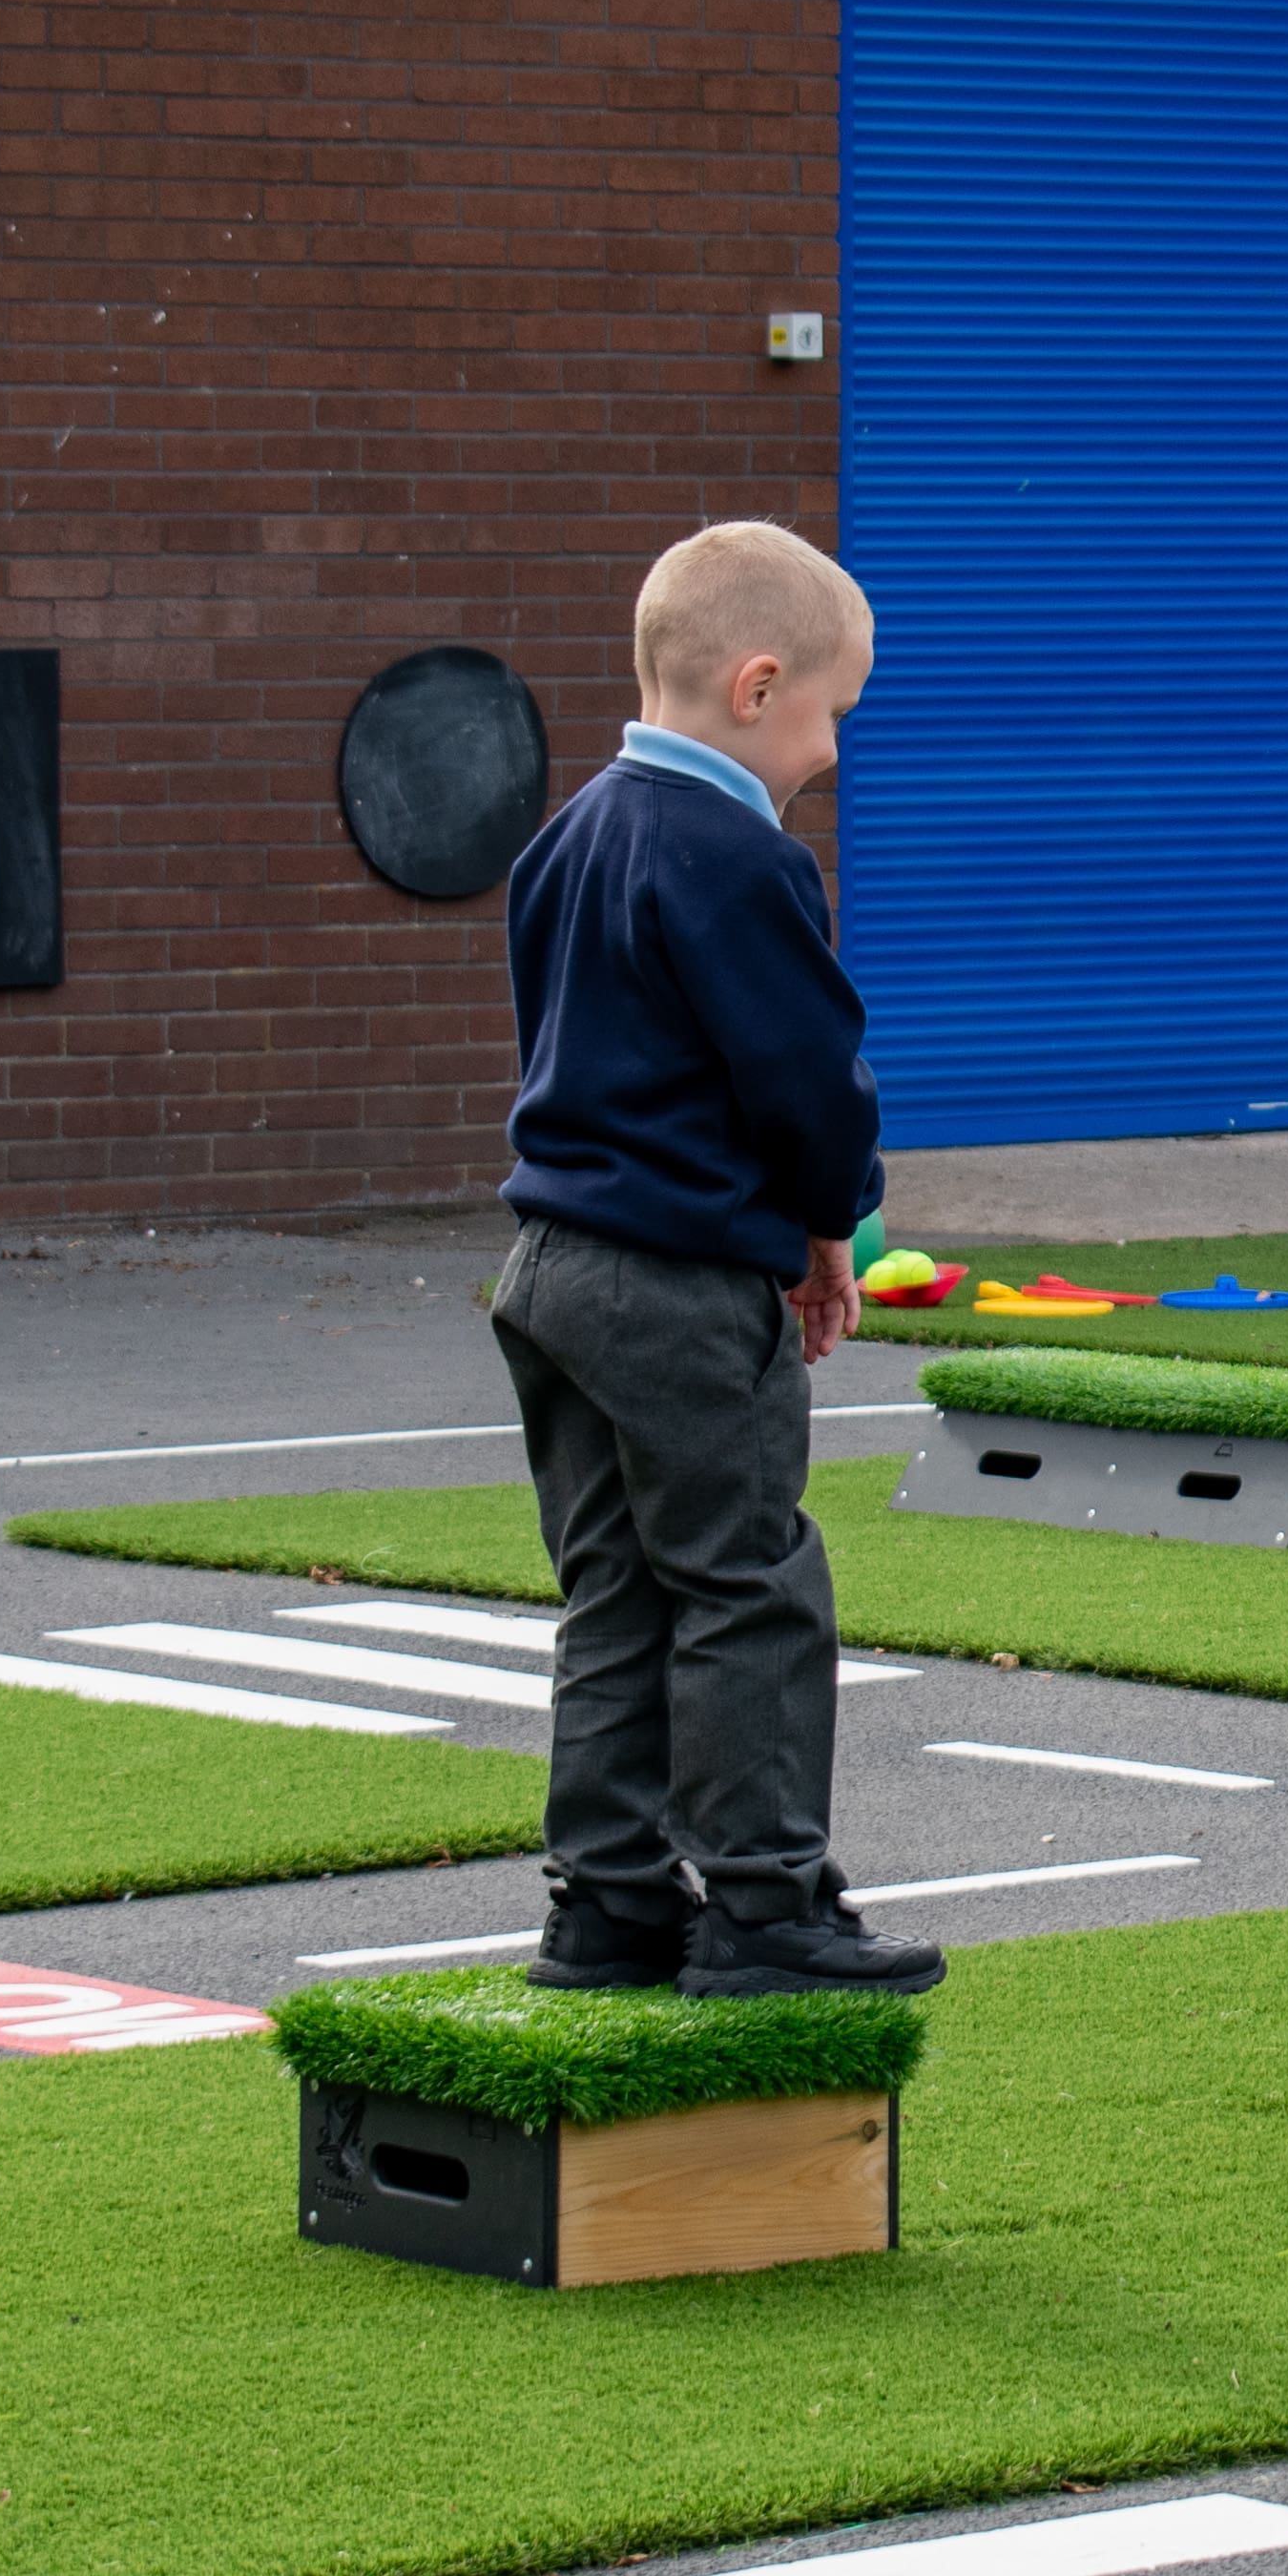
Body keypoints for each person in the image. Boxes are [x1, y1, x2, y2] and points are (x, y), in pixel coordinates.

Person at [488, 518, 936, 1995]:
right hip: (678, 1285)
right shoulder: (743, 859)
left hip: (551, 1264)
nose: (831, 751)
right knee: (748, 1580)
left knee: (615, 1588)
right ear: (756, 688)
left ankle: (607, 1902)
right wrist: (829, 1223)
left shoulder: (567, 837)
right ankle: (764, 1903)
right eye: (830, 714)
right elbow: (806, 1079)